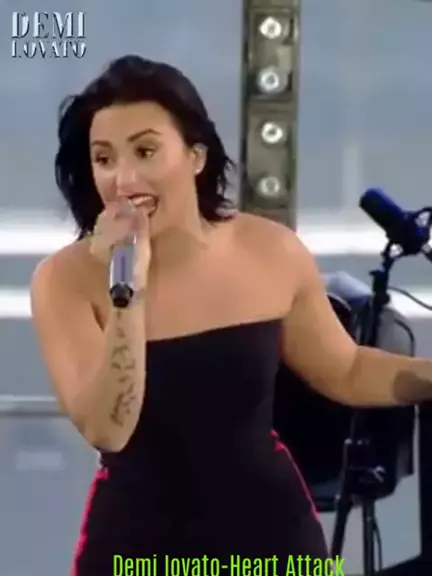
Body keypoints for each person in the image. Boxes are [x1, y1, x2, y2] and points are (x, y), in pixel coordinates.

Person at [30, 54, 432, 575]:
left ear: (195, 156)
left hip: (274, 540)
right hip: (139, 548)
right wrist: (127, 285)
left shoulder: (269, 250)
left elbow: (346, 369)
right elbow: (108, 429)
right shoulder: (63, 280)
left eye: (145, 151)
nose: (123, 178)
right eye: (104, 159)